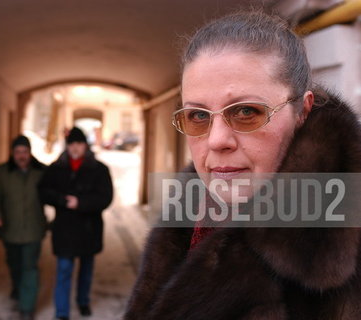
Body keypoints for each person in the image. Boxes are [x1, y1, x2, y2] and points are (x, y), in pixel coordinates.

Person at [125, 11, 361, 319]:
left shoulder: (340, 245)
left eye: (247, 111)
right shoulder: (187, 218)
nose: (216, 140)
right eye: (197, 116)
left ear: (302, 111)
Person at [39, 127, 113, 320]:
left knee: (86, 271)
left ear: (85, 146)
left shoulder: (99, 169)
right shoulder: (56, 168)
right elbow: (43, 191)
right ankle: (62, 312)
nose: (75, 147)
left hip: (89, 228)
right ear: (67, 145)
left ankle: (83, 301)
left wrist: (81, 203)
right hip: (65, 228)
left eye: (78, 144)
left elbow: (106, 197)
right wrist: (61, 200)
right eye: (71, 143)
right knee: (64, 270)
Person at [0, 135, 47, 320]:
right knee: (14, 263)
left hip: (34, 228)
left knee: (30, 267)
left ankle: (27, 307)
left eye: (25, 152)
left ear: (30, 153)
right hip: (9, 229)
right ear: (12, 153)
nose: (22, 156)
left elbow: (53, 190)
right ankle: (18, 287)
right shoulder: (1, 173)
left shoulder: (40, 172)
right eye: (18, 152)